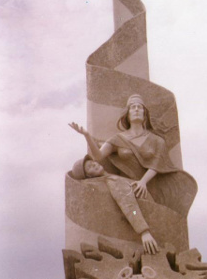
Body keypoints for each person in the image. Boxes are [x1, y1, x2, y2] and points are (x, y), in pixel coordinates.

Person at [69, 94, 197, 252]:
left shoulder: (157, 140)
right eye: (133, 108)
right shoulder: (118, 139)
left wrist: (143, 181)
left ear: (144, 114)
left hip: (150, 188)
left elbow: (158, 163)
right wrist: (87, 136)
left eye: (139, 107)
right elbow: (99, 156)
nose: (136, 110)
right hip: (133, 188)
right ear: (127, 114)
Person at [70, 154, 159, 255]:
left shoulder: (110, 177)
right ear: (89, 176)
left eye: (92, 162)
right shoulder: (112, 181)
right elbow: (130, 206)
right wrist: (144, 232)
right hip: (150, 221)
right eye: (89, 167)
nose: (94, 165)